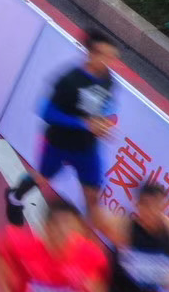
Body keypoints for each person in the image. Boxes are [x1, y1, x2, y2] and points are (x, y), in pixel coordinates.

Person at [6, 28, 118, 226]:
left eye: (112, 57)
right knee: (42, 178)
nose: (109, 61)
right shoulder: (69, 80)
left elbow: (108, 107)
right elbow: (47, 112)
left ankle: (82, 239)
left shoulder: (108, 79)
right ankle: (15, 197)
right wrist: (83, 123)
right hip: (57, 143)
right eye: (104, 55)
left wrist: (107, 123)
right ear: (91, 54)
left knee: (92, 196)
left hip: (86, 148)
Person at [98, 179, 169, 292]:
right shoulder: (124, 227)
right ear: (138, 205)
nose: (151, 212)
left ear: (164, 207)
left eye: (157, 206)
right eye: (146, 205)